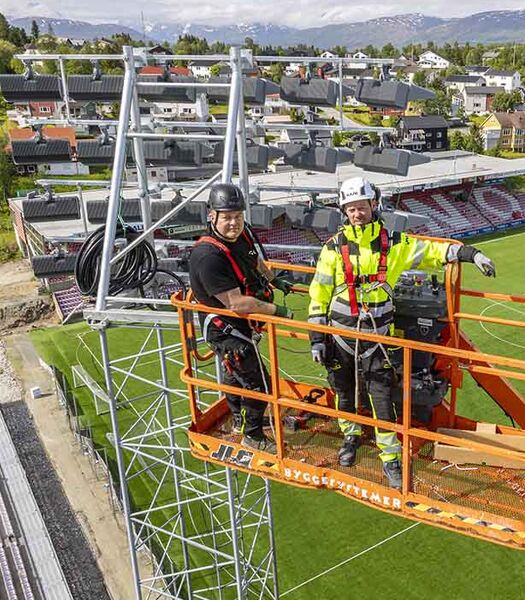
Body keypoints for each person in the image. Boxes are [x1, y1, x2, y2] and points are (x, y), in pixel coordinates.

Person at [308, 177, 496, 490]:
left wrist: (471, 254)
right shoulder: (332, 249)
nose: (357, 213)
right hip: (339, 337)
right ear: (344, 211)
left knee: (382, 402)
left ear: (374, 206)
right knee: (344, 394)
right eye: (351, 208)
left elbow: (434, 251)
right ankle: (350, 439)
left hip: (377, 340)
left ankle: (390, 460)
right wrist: (316, 337)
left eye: (362, 207)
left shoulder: (394, 244)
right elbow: (320, 291)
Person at [188, 182, 294, 453]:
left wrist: (273, 279)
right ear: (212, 216)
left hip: (238, 326)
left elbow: (253, 260)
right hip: (227, 328)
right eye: (227, 217)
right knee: (258, 384)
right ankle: (253, 434)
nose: (233, 223)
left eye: (237, 216)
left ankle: (239, 420)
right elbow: (236, 303)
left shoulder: (239, 237)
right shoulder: (208, 256)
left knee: (236, 377)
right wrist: (277, 311)